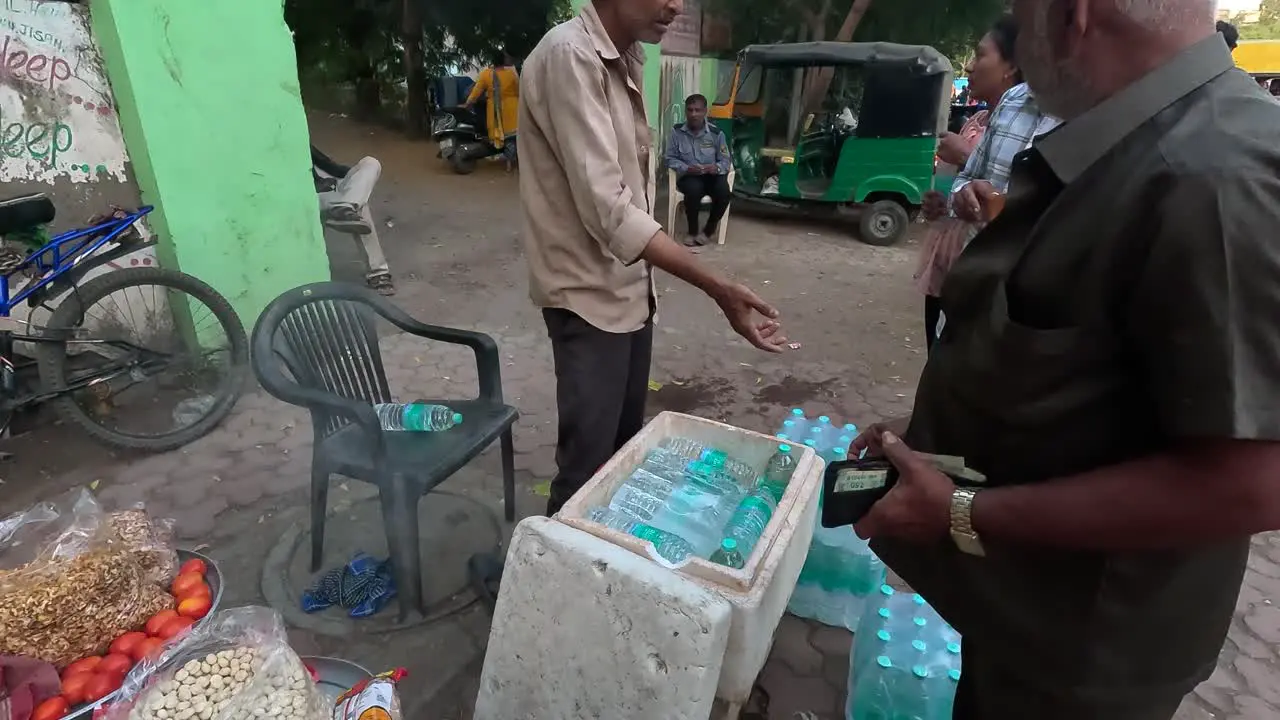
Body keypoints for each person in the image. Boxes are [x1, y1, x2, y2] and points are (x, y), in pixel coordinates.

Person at [852, 1, 1280, 718]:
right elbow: (1089, 376)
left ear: (1073, 14)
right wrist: (939, 440)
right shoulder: (1128, 145)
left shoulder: (1210, 177)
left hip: (1084, 660)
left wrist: (962, 510)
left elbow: (1252, 482)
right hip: (1029, 624)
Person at [519, 0, 788, 516]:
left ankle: (606, 574)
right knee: (585, 474)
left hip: (631, 292)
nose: (677, 5)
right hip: (586, 298)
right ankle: (551, 584)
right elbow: (611, 211)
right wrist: (718, 287)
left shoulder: (629, 58)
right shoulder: (569, 57)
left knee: (622, 456)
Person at [916, 15, 1037, 351]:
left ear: (1011, 66)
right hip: (958, 270)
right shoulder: (989, 116)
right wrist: (947, 201)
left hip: (1010, 295)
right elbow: (965, 185)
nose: (969, 68)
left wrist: (965, 155)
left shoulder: (1083, 118)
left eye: (981, 56)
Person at [311, 145, 394, 295]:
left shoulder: (301, 141)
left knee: (371, 163)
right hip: (315, 196)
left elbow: (331, 167)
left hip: (336, 190)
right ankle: (378, 273)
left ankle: (346, 208)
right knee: (361, 206)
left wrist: (356, 179)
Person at [665, 93, 733, 246]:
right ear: (685, 111)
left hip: (712, 175)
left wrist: (715, 167)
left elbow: (725, 159)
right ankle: (693, 231)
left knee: (724, 193)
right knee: (693, 190)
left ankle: (709, 230)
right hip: (690, 175)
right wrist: (686, 167)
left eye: (698, 110)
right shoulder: (677, 133)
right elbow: (670, 158)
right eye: (690, 110)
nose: (694, 114)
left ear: (705, 111)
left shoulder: (716, 134)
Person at [464, 50, 520, 170]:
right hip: (512, 109)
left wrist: (467, 104)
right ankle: (510, 163)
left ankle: (499, 153)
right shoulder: (511, 75)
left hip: (495, 111)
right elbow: (518, 91)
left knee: (499, 135)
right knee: (511, 137)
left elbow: (476, 92)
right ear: (504, 61)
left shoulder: (485, 74)